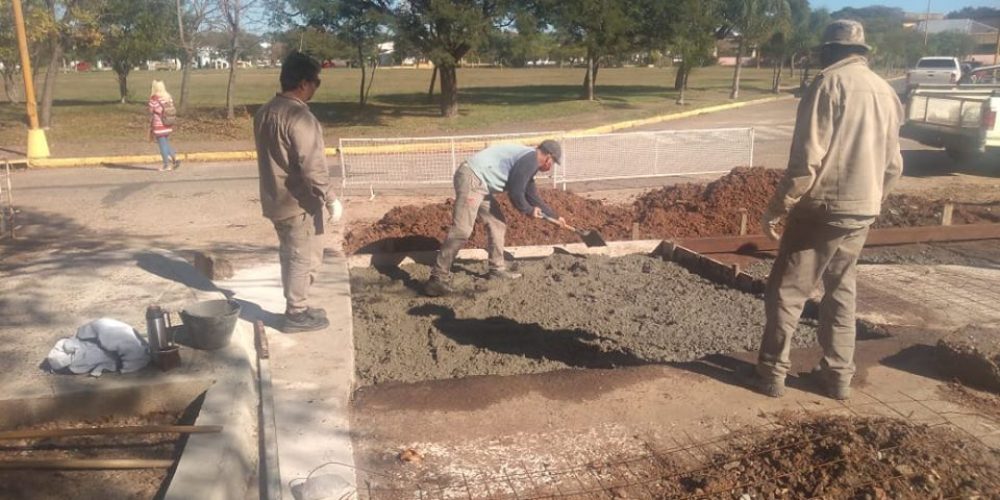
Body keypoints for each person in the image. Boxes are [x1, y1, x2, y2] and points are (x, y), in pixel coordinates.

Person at [753, 19, 903, 400]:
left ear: (831, 51)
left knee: (787, 291)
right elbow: (893, 165)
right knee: (841, 290)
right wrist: (872, 200)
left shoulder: (828, 84)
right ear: (861, 52)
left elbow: (806, 161)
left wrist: (778, 207)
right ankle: (837, 375)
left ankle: (772, 372)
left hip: (822, 210)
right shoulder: (886, 91)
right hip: (861, 210)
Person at [254, 52, 343, 333]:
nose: (317, 87)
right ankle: (296, 314)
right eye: (316, 81)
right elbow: (312, 167)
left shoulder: (265, 111)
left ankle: (299, 305)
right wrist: (330, 198)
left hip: (275, 199)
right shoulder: (300, 117)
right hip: (298, 203)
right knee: (302, 258)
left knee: (292, 255)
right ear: (303, 83)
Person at [424, 140, 565, 297]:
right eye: (553, 162)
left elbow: (531, 194)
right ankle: (437, 279)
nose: (551, 166)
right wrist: (528, 210)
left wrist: (554, 217)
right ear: (548, 157)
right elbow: (516, 193)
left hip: (480, 183)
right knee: (462, 230)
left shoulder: (528, 160)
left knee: (497, 223)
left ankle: (496, 269)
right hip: (472, 178)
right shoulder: (531, 159)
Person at [148, 80, 180, 171]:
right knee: (165, 143)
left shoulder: (154, 99)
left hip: (159, 125)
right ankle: (175, 158)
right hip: (168, 123)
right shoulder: (168, 97)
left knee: (162, 145)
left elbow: (150, 110)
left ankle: (166, 165)